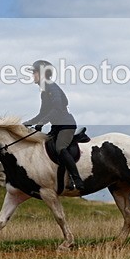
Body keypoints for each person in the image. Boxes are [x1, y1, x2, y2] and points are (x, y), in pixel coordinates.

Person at [23, 59, 84, 191]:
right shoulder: (45, 92)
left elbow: (57, 108)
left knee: (60, 148)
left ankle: (76, 179)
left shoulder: (52, 88)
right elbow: (42, 114)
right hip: (56, 127)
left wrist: (41, 123)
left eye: (34, 72)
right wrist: (26, 124)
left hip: (66, 125)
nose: (33, 75)